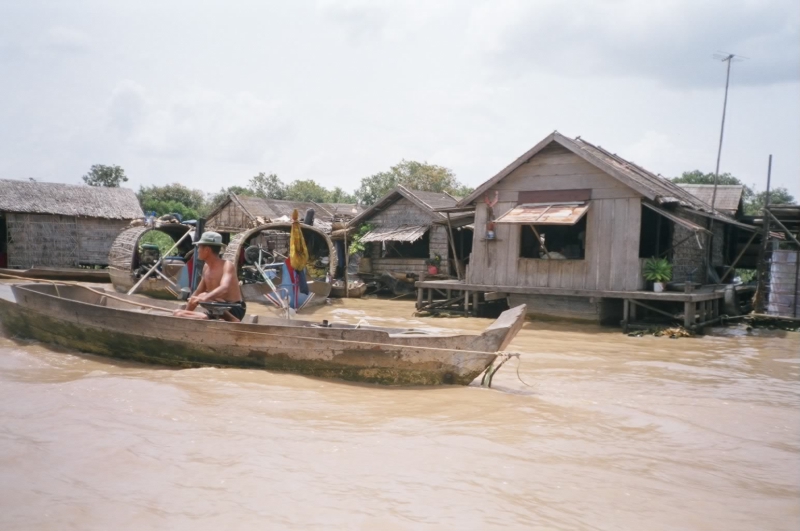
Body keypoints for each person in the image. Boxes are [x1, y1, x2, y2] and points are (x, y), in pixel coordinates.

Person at [173, 231, 246, 322]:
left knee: (204, 295)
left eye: (199, 247)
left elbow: (224, 288)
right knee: (178, 313)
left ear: (207, 250)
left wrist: (205, 297)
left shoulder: (227, 265)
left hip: (234, 309)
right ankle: (209, 317)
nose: (198, 250)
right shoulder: (206, 267)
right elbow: (198, 291)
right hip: (216, 310)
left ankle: (233, 320)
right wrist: (186, 312)